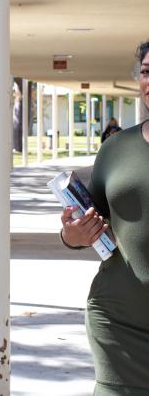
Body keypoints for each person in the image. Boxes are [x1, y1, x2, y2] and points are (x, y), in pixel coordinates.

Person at [60, 40, 149, 396]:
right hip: (117, 320)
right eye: (146, 72)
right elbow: (89, 228)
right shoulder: (116, 150)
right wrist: (73, 234)